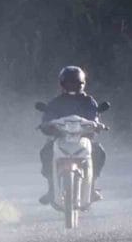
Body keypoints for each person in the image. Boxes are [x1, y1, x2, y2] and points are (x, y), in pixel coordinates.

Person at [36, 64, 108, 205]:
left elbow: (95, 117)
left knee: (99, 151)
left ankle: (91, 187)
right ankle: (52, 189)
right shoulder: (56, 102)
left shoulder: (89, 101)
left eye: (75, 83)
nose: (72, 86)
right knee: (46, 152)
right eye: (69, 83)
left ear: (82, 84)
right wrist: (45, 124)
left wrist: (97, 125)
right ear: (62, 84)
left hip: (83, 139)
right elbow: (47, 117)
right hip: (60, 139)